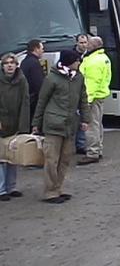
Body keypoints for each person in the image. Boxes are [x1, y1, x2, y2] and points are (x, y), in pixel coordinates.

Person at [32, 50, 90, 204]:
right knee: (51, 159)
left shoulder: (78, 78)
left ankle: (58, 188)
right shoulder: (52, 78)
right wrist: (36, 124)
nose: (79, 63)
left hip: (70, 125)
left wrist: (86, 119)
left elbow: (83, 99)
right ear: (69, 62)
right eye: (77, 61)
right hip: (53, 124)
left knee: (65, 159)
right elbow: (42, 101)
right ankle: (50, 192)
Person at [0, 53, 30, 201]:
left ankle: (11, 187)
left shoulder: (22, 80)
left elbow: (25, 102)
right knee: (1, 158)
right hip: (2, 122)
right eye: (6, 63)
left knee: (12, 156)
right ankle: (1, 189)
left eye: (12, 62)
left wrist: (23, 125)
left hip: (15, 122)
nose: (10, 65)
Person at [77, 36, 112, 165]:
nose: (86, 45)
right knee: (97, 124)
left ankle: (92, 152)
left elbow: (90, 83)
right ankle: (98, 149)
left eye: (89, 43)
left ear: (94, 46)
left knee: (91, 126)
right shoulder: (103, 58)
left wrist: (87, 100)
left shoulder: (92, 61)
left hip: (92, 97)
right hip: (100, 95)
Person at [20, 39, 45, 122]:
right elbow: (38, 85)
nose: (43, 51)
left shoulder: (25, 61)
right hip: (33, 102)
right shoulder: (34, 64)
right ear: (36, 49)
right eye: (42, 48)